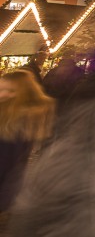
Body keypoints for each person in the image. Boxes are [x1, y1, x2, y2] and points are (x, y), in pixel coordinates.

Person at [0, 70, 54, 211]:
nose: (2, 94)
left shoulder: (17, 122)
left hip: (10, 192)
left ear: (24, 93)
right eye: (0, 89)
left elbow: (10, 163)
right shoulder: (10, 113)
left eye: (10, 90)